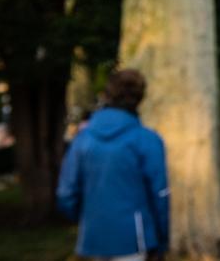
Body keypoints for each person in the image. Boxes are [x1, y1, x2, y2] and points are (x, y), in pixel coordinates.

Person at [57, 69, 169, 260]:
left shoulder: (82, 139)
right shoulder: (147, 139)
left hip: (93, 239)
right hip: (134, 239)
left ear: (107, 95)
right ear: (140, 99)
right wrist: (161, 241)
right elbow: (160, 195)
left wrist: (87, 218)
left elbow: (66, 193)